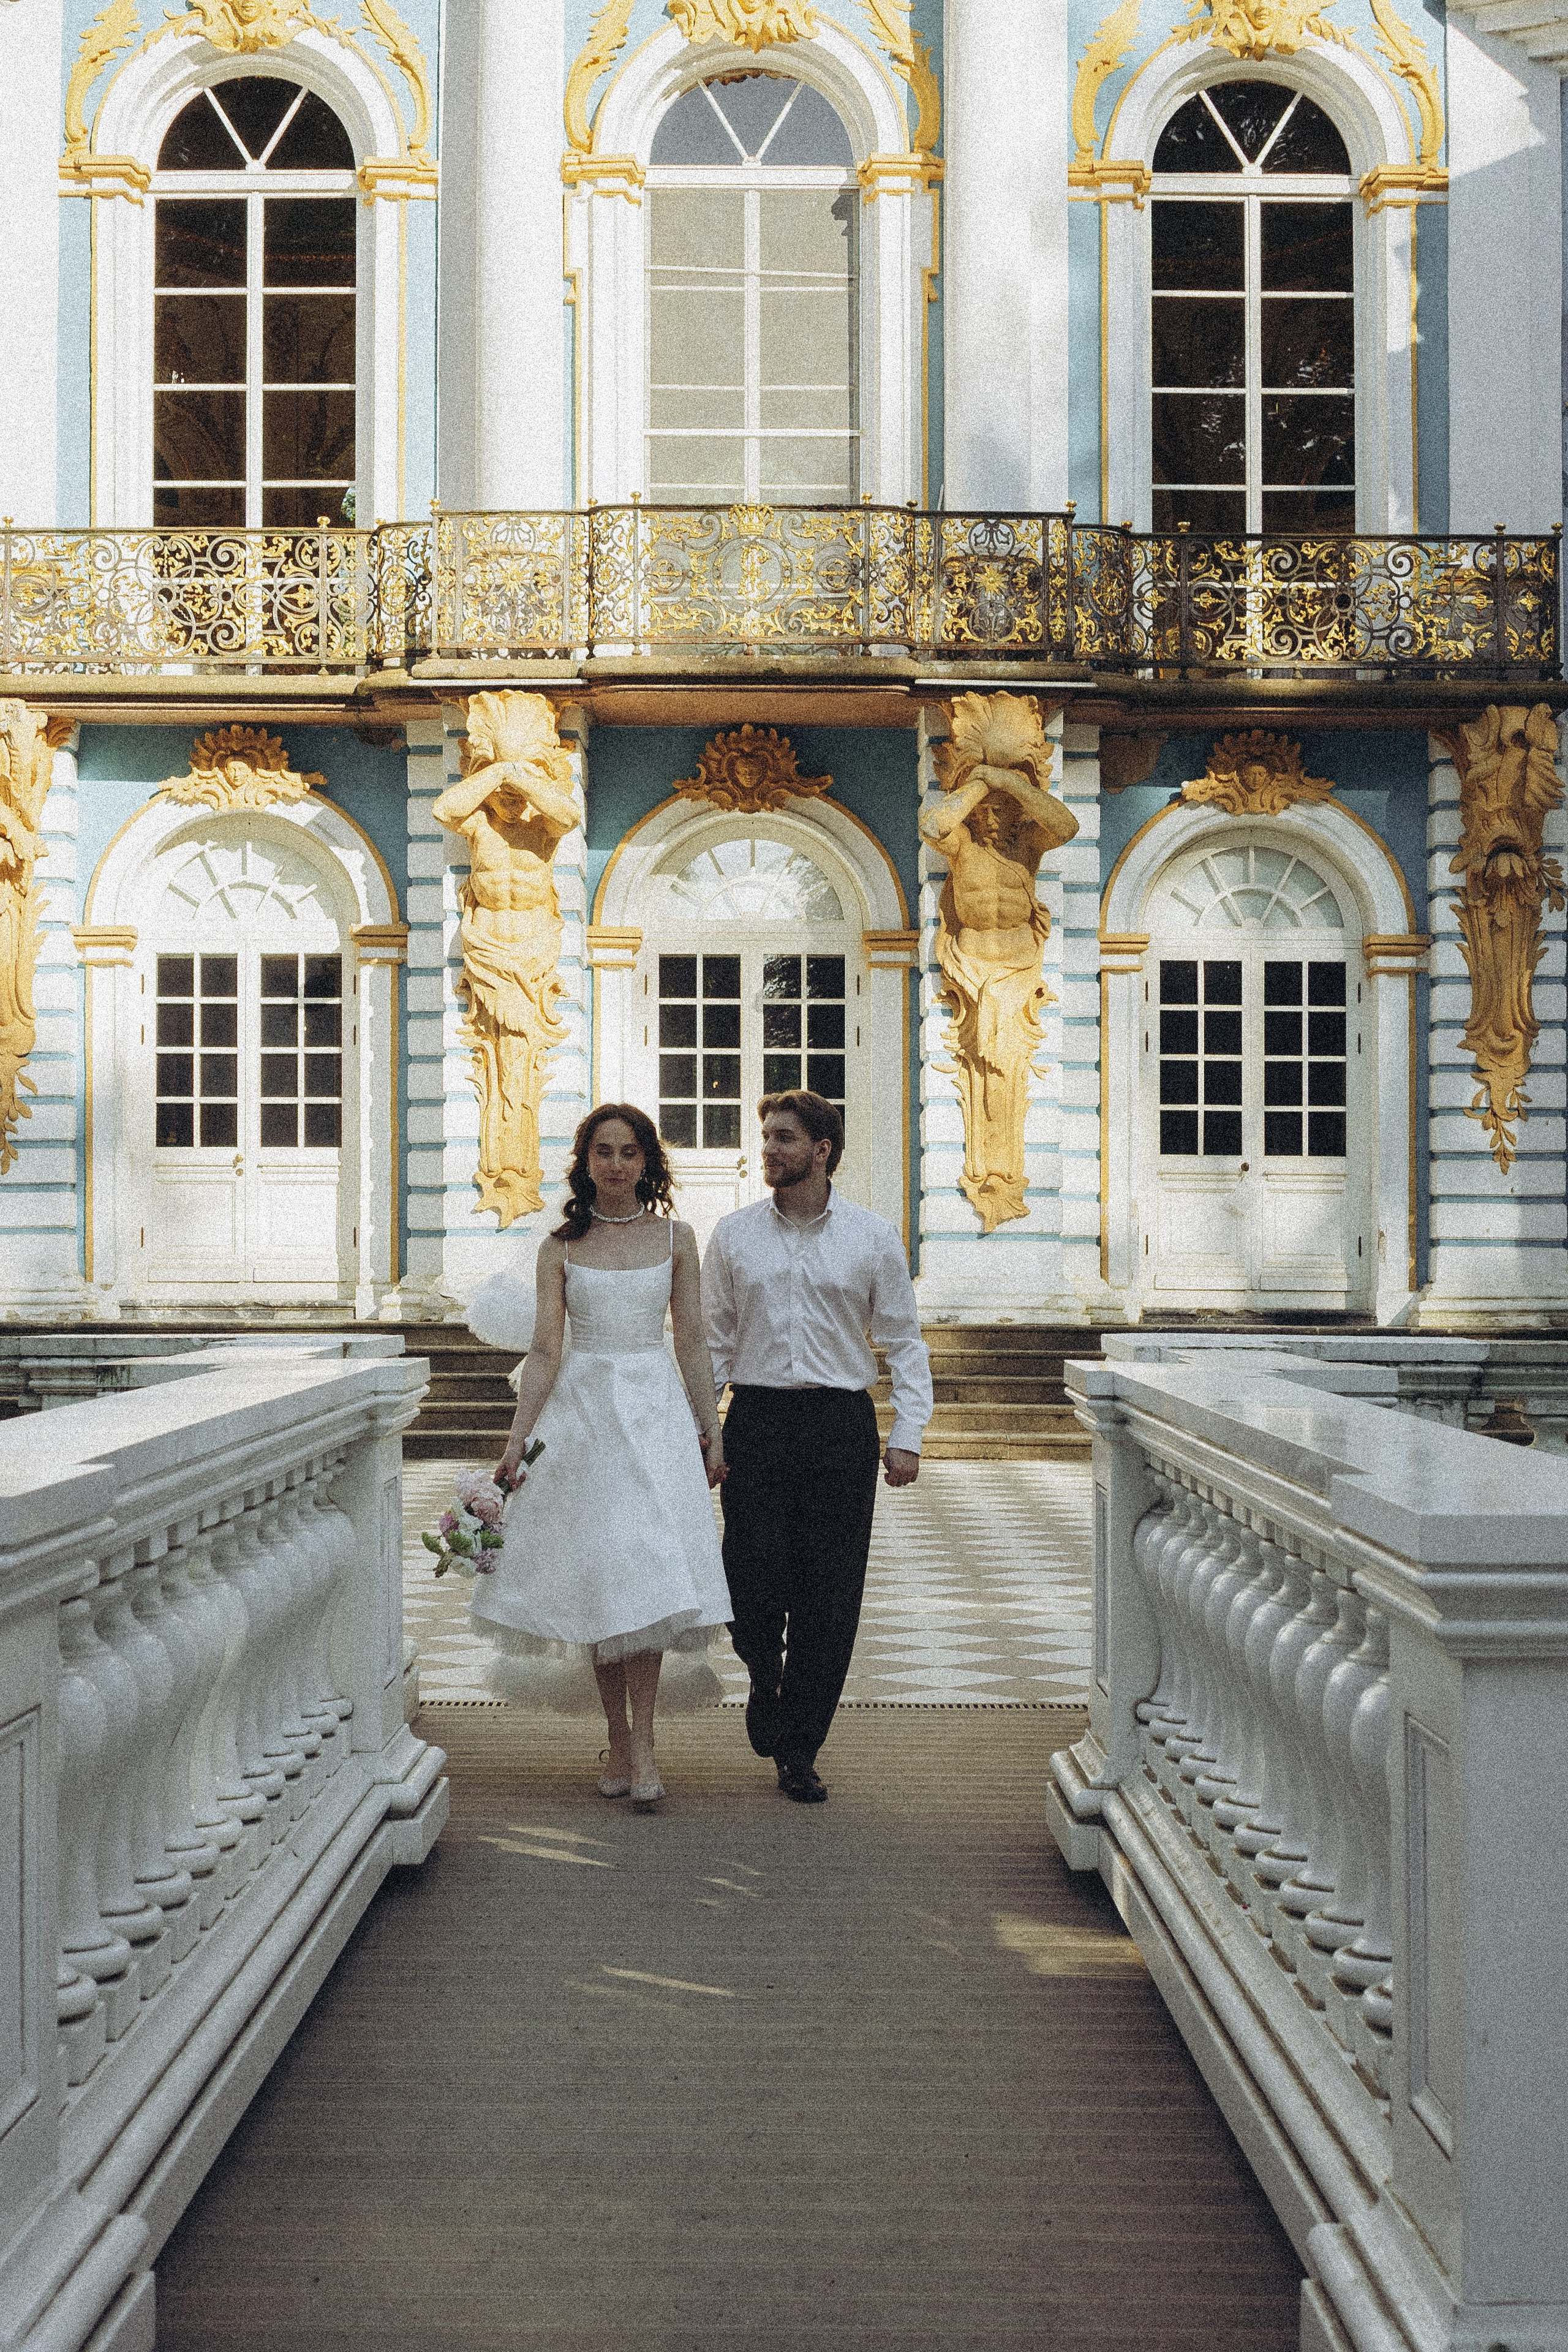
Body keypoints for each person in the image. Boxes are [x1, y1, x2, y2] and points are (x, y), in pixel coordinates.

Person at [477, 1104, 731, 1811]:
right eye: (603, 1153)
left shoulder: (678, 1239)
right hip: (582, 1417)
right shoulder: (559, 1246)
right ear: (584, 1163)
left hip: (652, 1417)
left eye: (627, 1153)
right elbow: (546, 1350)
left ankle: (645, 1744)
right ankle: (617, 1738)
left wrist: (708, 1426)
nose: (615, 1165)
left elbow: (691, 1343)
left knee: (645, 1573)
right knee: (601, 1578)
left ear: (647, 1162)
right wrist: (516, 1440)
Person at [702, 1090, 933, 1804]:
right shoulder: (733, 1235)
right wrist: (699, 1434)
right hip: (758, 1419)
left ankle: (799, 1746)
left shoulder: (871, 1237)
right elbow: (711, 1343)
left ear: (822, 1150)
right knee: (749, 1572)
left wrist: (908, 1434)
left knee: (828, 1594)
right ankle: (760, 1669)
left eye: (783, 1137)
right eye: (766, 1137)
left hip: (838, 1425)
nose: (768, 1149)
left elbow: (902, 1339)